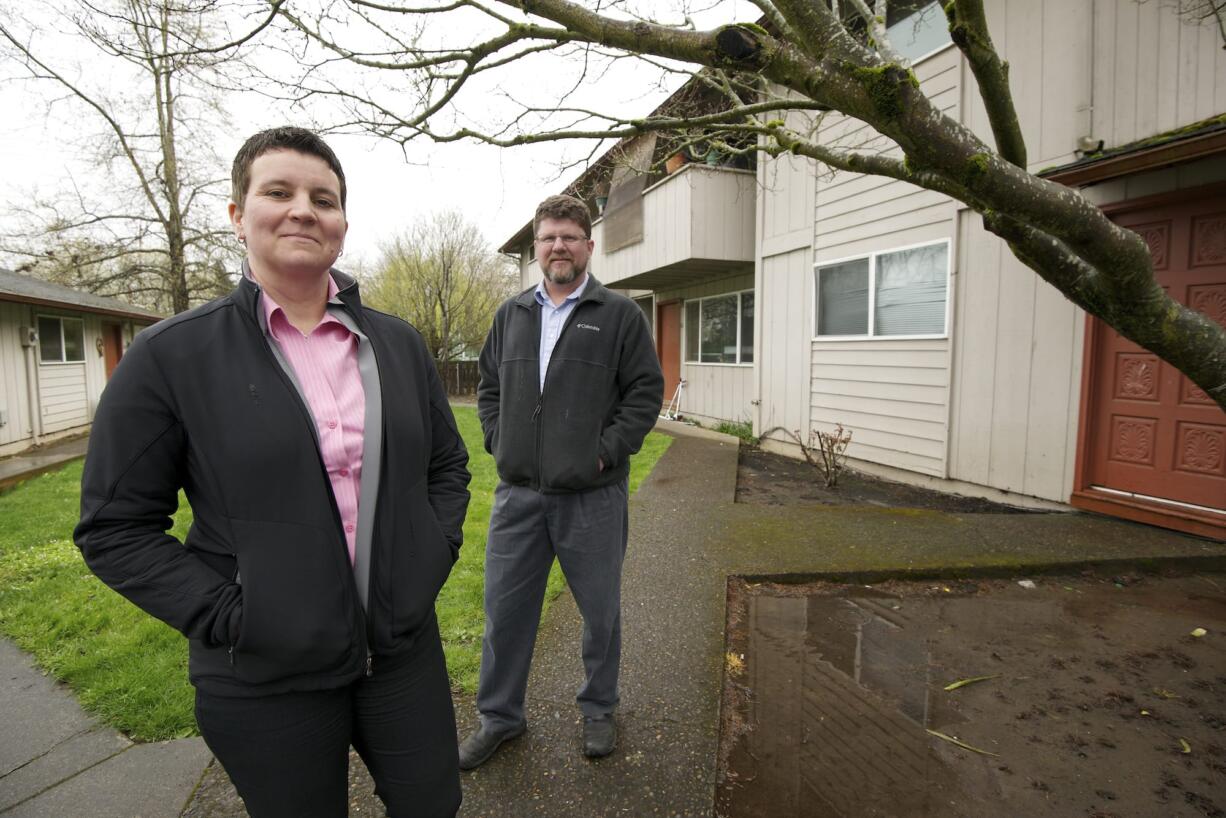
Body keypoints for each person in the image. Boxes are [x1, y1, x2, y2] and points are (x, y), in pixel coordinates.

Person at [74, 126, 470, 818]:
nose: (303, 210)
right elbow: (114, 527)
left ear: (342, 222)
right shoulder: (173, 357)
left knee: (433, 806)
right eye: (278, 192)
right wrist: (236, 615)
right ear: (237, 215)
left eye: (324, 197)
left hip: (401, 654)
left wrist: (430, 554)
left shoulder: (398, 344)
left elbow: (446, 463)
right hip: (264, 674)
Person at [460, 193, 664, 768]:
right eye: (548, 237)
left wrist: (603, 454)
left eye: (569, 237)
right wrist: (501, 441)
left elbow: (645, 394)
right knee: (506, 611)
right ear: (536, 248)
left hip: (592, 499)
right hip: (519, 498)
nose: (558, 246)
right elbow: (488, 388)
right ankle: (500, 717)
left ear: (588, 245)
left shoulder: (619, 314)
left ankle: (599, 709)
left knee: (599, 613)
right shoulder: (511, 314)